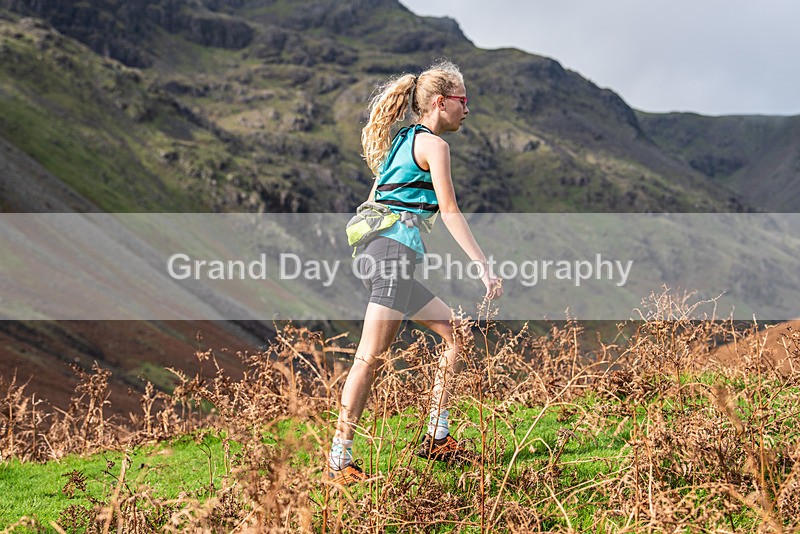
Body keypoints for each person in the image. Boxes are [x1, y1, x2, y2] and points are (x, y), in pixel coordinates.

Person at [328, 59, 503, 485]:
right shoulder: (434, 146)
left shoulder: (402, 141)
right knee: (369, 358)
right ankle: (337, 462)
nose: (468, 109)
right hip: (391, 257)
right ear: (441, 103)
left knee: (455, 334)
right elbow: (449, 210)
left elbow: (376, 201)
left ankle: (437, 438)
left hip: (382, 254)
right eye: (464, 101)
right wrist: (484, 267)